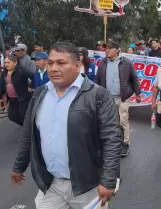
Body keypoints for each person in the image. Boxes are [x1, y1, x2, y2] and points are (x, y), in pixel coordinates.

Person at [11, 41, 122, 208]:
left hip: (88, 187)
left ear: (77, 65)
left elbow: (112, 139)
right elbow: (28, 133)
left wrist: (108, 180)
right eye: (50, 63)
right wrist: (19, 166)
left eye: (61, 63)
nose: (54, 68)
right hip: (51, 184)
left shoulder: (98, 95)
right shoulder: (40, 94)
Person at [95, 40, 142, 157]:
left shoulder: (126, 62)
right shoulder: (102, 63)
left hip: (122, 98)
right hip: (108, 99)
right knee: (109, 122)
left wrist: (138, 94)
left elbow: (134, 78)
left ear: (116, 50)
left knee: (122, 121)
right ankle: (112, 144)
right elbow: (97, 80)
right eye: (105, 48)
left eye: (109, 48)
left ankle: (125, 144)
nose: (106, 51)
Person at [0, 55, 34, 125]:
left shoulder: (21, 70)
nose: (6, 64)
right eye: (5, 62)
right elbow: (2, 85)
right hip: (12, 99)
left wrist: (31, 86)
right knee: (12, 116)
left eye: (8, 62)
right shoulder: (4, 73)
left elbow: (34, 76)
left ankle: (29, 130)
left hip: (22, 98)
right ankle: (25, 126)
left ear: (15, 63)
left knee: (23, 116)